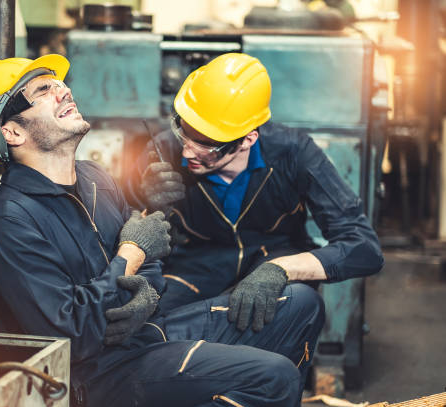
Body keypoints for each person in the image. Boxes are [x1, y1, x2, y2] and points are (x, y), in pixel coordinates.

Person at [0, 54, 324, 407]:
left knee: (300, 304)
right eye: (42, 90)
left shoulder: (95, 179)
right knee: (273, 377)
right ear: (11, 131)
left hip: (139, 335)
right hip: (87, 376)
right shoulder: (9, 223)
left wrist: (144, 293)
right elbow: (70, 335)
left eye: (60, 84)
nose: (63, 91)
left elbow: (149, 261)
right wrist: (129, 255)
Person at [126, 52, 383, 331]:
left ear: (248, 139)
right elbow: (117, 230)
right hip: (196, 269)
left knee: (300, 305)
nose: (187, 152)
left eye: (206, 144)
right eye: (184, 132)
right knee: (143, 321)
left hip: (272, 257)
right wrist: (144, 202)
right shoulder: (163, 151)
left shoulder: (294, 154)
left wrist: (281, 270)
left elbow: (363, 247)